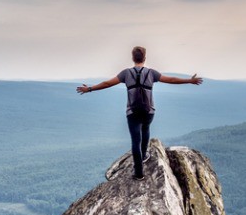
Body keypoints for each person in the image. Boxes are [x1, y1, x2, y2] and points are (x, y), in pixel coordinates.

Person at [77, 46, 203, 179]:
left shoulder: (126, 73)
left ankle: (139, 174)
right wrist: (190, 81)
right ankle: (144, 155)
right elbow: (172, 80)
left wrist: (89, 89)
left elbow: (107, 83)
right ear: (145, 58)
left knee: (135, 140)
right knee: (146, 128)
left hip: (132, 111)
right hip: (148, 111)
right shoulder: (151, 73)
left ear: (133, 58)